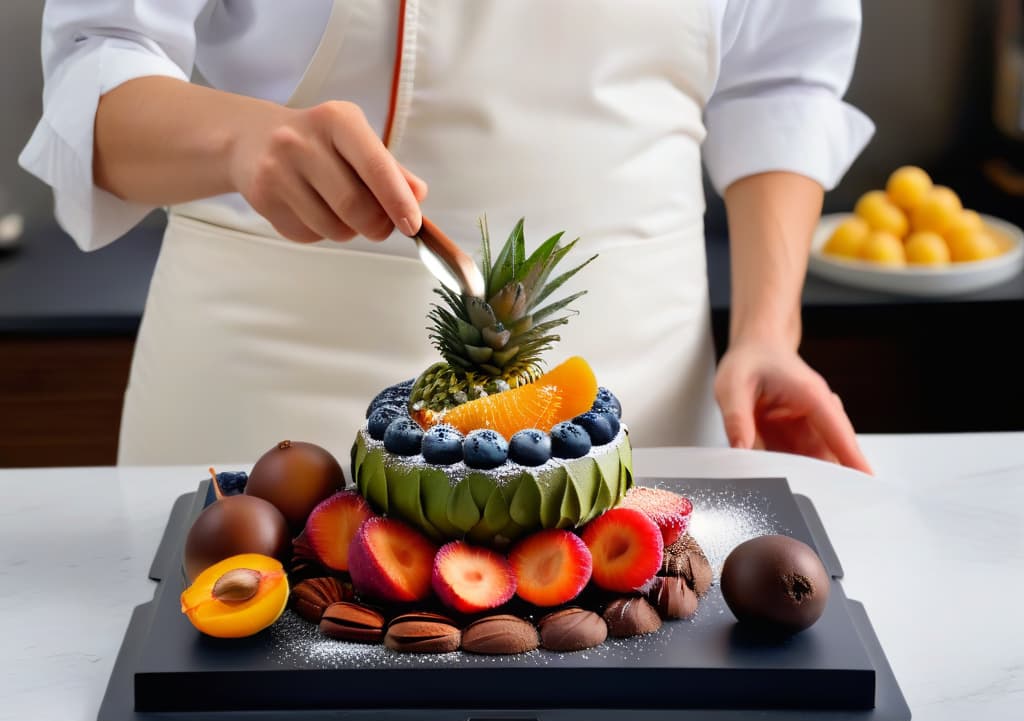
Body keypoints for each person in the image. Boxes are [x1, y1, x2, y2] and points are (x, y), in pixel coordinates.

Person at [20, 0, 874, 473]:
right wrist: (239, 139)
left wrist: (768, 332)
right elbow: (96, 70)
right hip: (272, 408)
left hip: (636, 402)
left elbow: (778, 82)